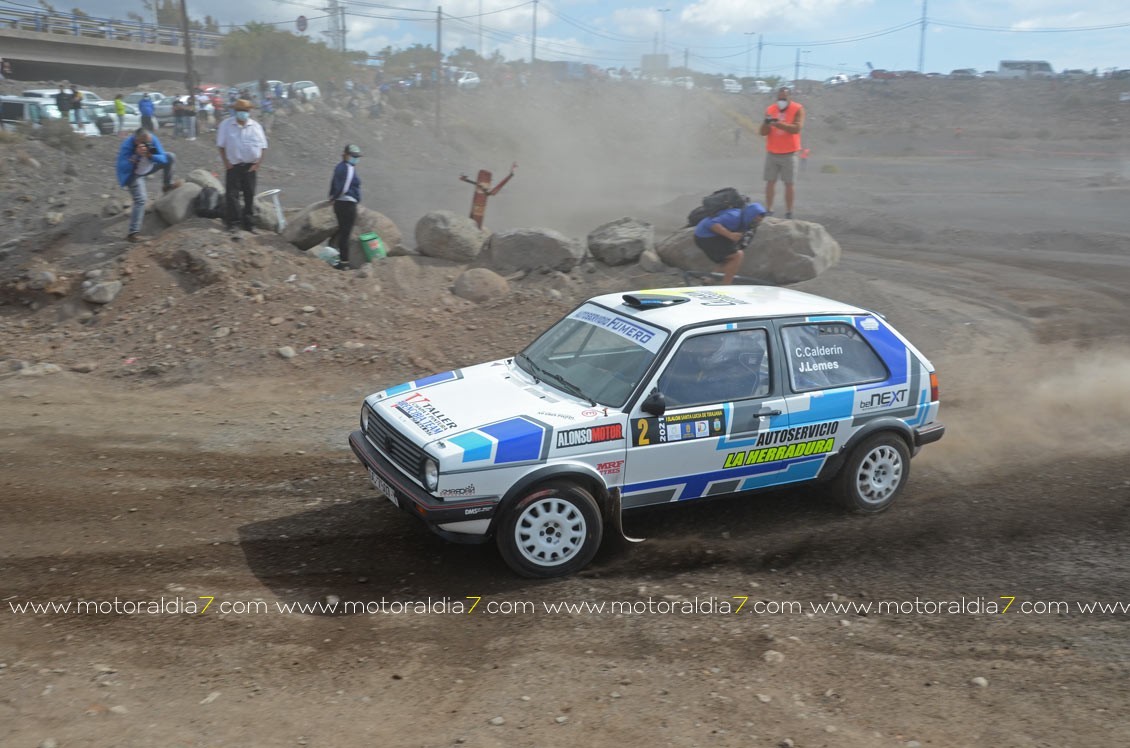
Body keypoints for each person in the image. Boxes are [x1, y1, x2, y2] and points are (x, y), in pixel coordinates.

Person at [115, 128, 182, 242]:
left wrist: (151, 155)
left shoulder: (151, 141)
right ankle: (133, 233)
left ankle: (167, 185)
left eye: (149, 142)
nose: (148, 145)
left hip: (148, 168)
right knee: (141, 200)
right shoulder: (127, 146)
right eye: (144, 143)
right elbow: (121, 168)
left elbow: (163, 158)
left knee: (171, 156)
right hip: (133, 174)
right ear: (137, 141)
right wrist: (135, 156)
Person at [216, 98, 268, 232]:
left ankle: (249, 223)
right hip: (234, 166)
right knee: (232, 195)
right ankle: (234, 223)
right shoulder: (226, 125)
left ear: (249, 111)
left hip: (250, 167)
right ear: (235, 111)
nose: (243, 113)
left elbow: (263, 147)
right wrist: (226, 163)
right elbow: (221, 146)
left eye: (245, 111)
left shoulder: (256, 127)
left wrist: (257, 165)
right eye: (240, 111)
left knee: (249, 195)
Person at [758, 86, 805, 219]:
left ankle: (789, 211)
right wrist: (766, 124)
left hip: (789, 152)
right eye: (779, 98)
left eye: (784, 98)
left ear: (789, 97)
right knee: (770, 181)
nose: (781, 101)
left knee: (789, 183)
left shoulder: (797, 109)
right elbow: (762, 132)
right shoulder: (770, 109)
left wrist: (779, 124)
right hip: (772, 151)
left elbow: (796, 128)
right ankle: (769, 209)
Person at [692, 202, 767, 285]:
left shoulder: (746, 220)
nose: (756, 222)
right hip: (705, 236)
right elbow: (710, 223)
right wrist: (730, 235)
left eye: (759, 221)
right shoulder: (734, 216)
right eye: (755, 219)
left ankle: (710, 279)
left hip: (715, 235)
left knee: (729, 256)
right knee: (737, 256)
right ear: (751, 215)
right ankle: (726, 286)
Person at [327, 144, 363, 270]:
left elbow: (334, 183)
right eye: (354, 156)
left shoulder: (339, 167)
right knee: (346, 233)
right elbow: (345, 187)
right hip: (347, 204)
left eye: (357, 157)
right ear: (346, 155)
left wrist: (332, 197)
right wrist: (335, 197)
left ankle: (332, 252)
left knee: (342, 230)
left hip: (340, 204)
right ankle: (344, 262)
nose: (356, 159)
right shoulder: (349, 167)